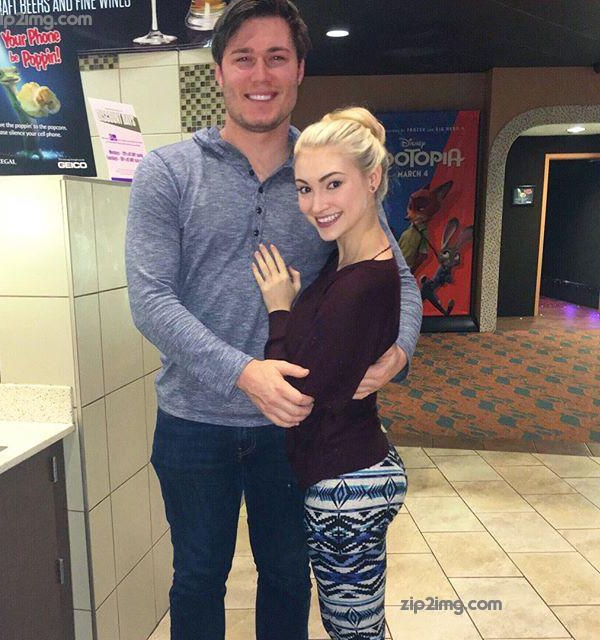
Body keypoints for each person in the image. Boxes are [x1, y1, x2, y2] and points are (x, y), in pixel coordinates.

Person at [125, 1, 422, 639]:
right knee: (197, 577)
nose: (260, 75)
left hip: (295, 427)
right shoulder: (168, 172)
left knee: (288, 575)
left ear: (299, 70)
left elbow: (396, 272)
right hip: (194, 421)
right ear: (218, 72)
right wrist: (245, 373)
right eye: (244, 58)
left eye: (277, 57)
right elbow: (150, 298)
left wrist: (400, 347)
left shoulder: (323, 166)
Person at [251, 106, 408, 640]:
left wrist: (279, 309)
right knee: (358, 626)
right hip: (353, 466)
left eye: (333, 184)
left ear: (373, 178)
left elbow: (295, 395)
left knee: (353, 632)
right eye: (304, 188)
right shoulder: (344, 261)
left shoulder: (362, 281)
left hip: (347, 481)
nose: (317, 205)